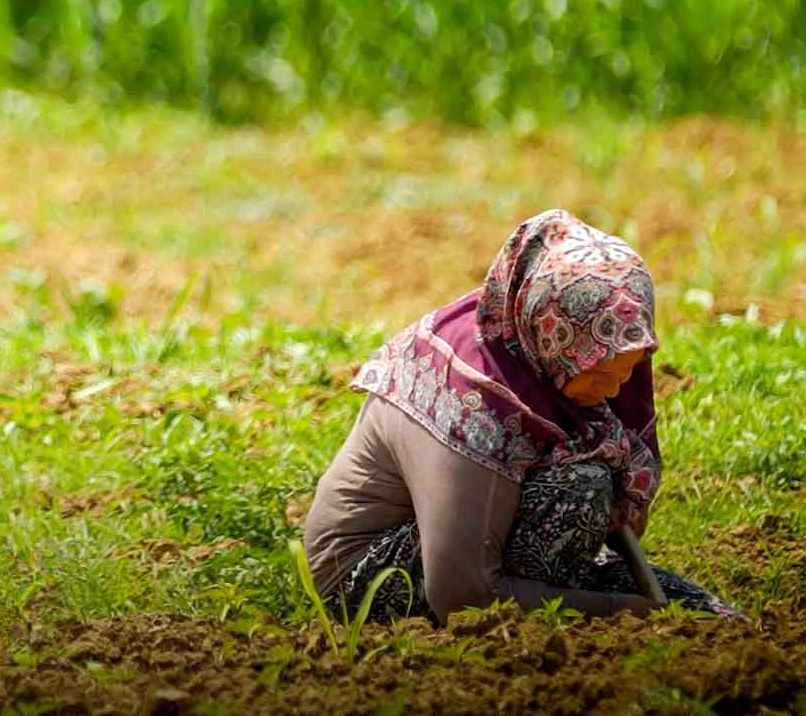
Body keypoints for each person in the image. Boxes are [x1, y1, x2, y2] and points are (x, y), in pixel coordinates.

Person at [302, 210, 737, 621]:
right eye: (601, 371)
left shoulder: (543, 355)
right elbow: (462, 595)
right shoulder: (475, 398)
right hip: (366, 575)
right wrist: (618, 613)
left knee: (695, 609)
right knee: (578, 488)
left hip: (471, 539)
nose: (616, 388)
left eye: (628, 368)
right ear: (554, 339)